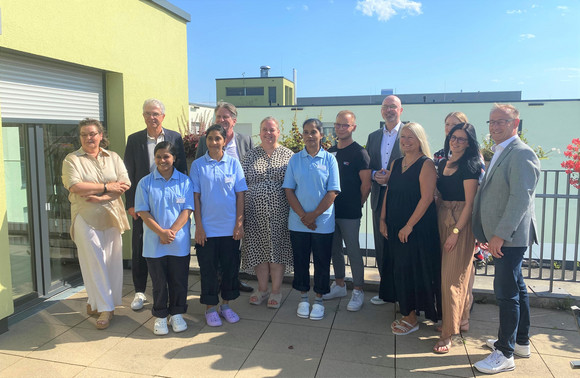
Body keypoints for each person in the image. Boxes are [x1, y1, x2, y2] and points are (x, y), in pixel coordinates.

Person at [473, 104, 540, 374]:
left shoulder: (521, 153)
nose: (494, 127)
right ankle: (520, 343)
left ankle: (505, 352)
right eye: (491, 122)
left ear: (516, 123)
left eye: (501, 121)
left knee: (506, 292)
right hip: (502, 235)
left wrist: (500, 234)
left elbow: (520, 198)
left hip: (509, 236)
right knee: (517, 287)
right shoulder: (502, 151)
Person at [62, 118, 131, 330]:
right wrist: (106, 186)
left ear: (101, 135)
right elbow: (75, 186)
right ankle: (105, 308)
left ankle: (96, 302)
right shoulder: (72, 160)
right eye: (84, 134)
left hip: (111, 215)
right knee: (93, 261)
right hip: (84, 215)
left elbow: (125, 183)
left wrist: (100, 196)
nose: (89, 138)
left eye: (93, 133)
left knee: (111, 261)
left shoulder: (114, 157)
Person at [124, 98, 187, 311]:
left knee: (167, 248)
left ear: (163, 116)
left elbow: (182, 169)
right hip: (144, 202)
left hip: (169, 199)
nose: (152, 117)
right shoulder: (134, 140)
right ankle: (140, 291)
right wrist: (131, 204)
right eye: (148, 113)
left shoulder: (174, 137)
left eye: (156, 113)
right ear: (143, 116)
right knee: (140, 246)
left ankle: (168, 294)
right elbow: (128, 172)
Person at [378, 122, 441, 334]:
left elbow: (426, 199)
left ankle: (411, 317)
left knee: (411, 269)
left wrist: (409, 226)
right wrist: (382, 218)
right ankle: (405, 309)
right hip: (395, 225)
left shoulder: (427, 164)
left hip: (416, 228)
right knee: (398, 268)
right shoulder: (396, 163)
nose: (405, 141)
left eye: (410, 137)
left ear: (420, 140)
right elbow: (389, 192)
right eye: (403, 137)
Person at [190, 124, 248, 327]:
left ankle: (226, 305)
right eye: (210, 138)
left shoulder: (233, 164)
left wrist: (239, 224)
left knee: (230, 269)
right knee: (208, 270)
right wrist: (198, 226)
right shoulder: (198, 165)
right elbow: (195, 197)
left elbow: (240, 195)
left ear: (225, 141)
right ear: (206, 141)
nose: (214, 142)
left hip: (230, 229)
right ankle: (210, 308)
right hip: (206, 230)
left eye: (218, 138)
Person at [283, 118, 340, 321]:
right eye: (306, 132)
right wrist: (303, 216)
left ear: (321, 134)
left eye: (313, 132)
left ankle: (319, 300)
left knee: (322, 262)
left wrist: (313, 216)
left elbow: (332, 191)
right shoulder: (295, 159)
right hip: (298, 222)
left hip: (322, 223)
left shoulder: (329, 160)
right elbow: (289, 190)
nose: (309, 136)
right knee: (300, 262)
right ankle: (304, 298)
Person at [134, 141, 194, 335]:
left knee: (178, 280)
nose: (162, 160)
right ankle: (160, 315)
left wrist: (172, 232)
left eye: (166, 156)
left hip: (178, 242)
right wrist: (161, 232)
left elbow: (187, 210)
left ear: (174, 158)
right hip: (154, 243)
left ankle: (177, 313)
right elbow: (143, 212)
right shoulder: (145, 183)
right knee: (159, 281)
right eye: (158, 156)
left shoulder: (184, 181)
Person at [196, 101, 255, 293]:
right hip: (212, 211)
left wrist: (241, 217)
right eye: (219, 117)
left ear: (234, 121)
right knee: (214, 253)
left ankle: (232, 282)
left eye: (226, 117)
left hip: (238, 205)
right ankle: (218, 287)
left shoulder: (245, 141)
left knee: (232, 251)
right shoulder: (205, 145)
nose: (222, 120)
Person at [433, 123, 480, 353]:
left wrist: (455, 233)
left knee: (451, 279)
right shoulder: (442, 163)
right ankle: (454, 321)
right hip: (442, 218)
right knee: (445, 276)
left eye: (462, 139)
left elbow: (470, 204)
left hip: (459, 224)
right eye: (454, 137)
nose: (456, 142)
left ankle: (448, 336)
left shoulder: (470, 166)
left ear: (469, 143)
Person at [241, 117, 294, 309]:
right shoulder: (250, 155)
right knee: (259, 252)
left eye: (272, 130)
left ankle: (276, 291)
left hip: (281, 213)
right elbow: (241, 184)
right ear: (260, 132)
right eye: (264, 129)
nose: (268, 133)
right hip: (254, 213)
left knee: (276, 252)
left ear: (278, 132)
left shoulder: (289, 155)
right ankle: (262, 289)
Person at [323, 111, 371, 312]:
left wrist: (356, 204)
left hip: (350, 211)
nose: (341, 128)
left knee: (353, 251)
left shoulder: (360, 153)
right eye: (338, 125)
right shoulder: (330, 152)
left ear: (353, 127)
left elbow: (366, 185)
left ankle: (358, 289)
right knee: (334, 250)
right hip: (330, 211)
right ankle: (340, 285)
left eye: (346, 125)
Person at [365, 95, 404, 305]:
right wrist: (374, 175)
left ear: (401, 110)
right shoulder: (373, 137)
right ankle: (386, 290)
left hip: (402, 199)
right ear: (381, 111)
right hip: (379, 198)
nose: (389, 110)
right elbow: (368, 165)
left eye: (393, 107)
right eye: (385, 107)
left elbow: (417, 165)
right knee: (381, 245)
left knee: (400, 243)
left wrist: (393, 177)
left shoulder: (409, 134)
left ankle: (401, 291)